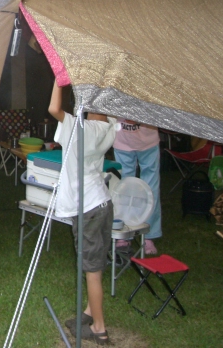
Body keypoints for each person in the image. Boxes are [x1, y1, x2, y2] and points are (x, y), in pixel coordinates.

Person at [48, 80, 116, 345]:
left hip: (87, 207)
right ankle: (90, 312)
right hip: (102, 202)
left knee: (92, 270)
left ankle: (99, 328)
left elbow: (54, 108)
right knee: (96, 263)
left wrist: (59, 80)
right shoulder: (108, 128)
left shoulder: (80, 128)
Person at [113, 120, 161, 255]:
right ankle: (124, 233)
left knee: (151, 189)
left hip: (148, 142)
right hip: (122, 142)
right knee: (123, 189)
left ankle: (148, 234)